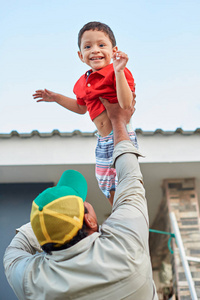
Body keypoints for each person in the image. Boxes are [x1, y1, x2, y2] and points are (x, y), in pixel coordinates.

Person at [4, 98, 158, 300]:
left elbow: (17, 246)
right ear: (90, 220)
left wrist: (51, 218)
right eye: (83, 204)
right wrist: (119, 121)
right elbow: (129, 177)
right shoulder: (125, 245)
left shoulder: (30, 281)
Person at [33, 21, 138, 204]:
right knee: (106, 183)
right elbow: (82, 108)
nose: (95, 50)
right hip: (102, 140)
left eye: (101, 45)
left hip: (120, 135)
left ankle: (127, 211)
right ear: (81, 55)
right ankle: (117, 212)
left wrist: (119, 71)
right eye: (88, 46)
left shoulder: (117, 72)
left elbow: (126, 103)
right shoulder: (83, 81)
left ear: (114, 51)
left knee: (123, 178)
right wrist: (57, 98)